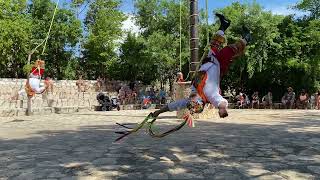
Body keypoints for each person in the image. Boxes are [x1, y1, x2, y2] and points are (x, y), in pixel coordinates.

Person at [151, 13, 252, 118]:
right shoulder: (210, 95)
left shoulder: (192, 96)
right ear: (199, 101)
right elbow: (220, 102)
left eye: (191, 100)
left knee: (215, 42)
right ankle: (246, 39)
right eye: (194, 100)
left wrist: (158, 112)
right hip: (218, 64)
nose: (191, 99)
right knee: (229, 49)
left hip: (210, 60)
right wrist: (222, 109)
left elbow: (172, 106)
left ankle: (224, 25)